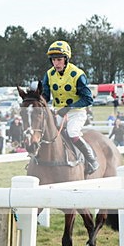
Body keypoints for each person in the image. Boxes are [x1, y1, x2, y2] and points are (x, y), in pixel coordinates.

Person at [40, 40, 99, 174]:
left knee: (72, 133)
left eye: (59, 60)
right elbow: (46, 96)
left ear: (66, 59)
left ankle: (91, 159)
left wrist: (68, 108)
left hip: (76, 113)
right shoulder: (49, 74)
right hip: (58, 113)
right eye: (53, 60)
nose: (56, 63)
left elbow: (88, 99)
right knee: (47, 134)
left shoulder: (77, 74)